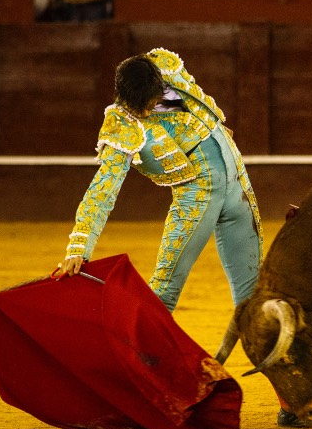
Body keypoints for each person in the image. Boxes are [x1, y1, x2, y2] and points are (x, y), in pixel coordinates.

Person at [54, 48, 263, 321]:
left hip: (239, 184)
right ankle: (140, 362)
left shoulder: (166, 66)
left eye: (150, 102)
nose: (144, 111)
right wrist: (79, 248)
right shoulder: (120, 124)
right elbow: (103, 189)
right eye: (139, 106)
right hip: (198, 198)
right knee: (164, 293)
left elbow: (194, 98)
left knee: (254, 294)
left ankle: (270, 357)